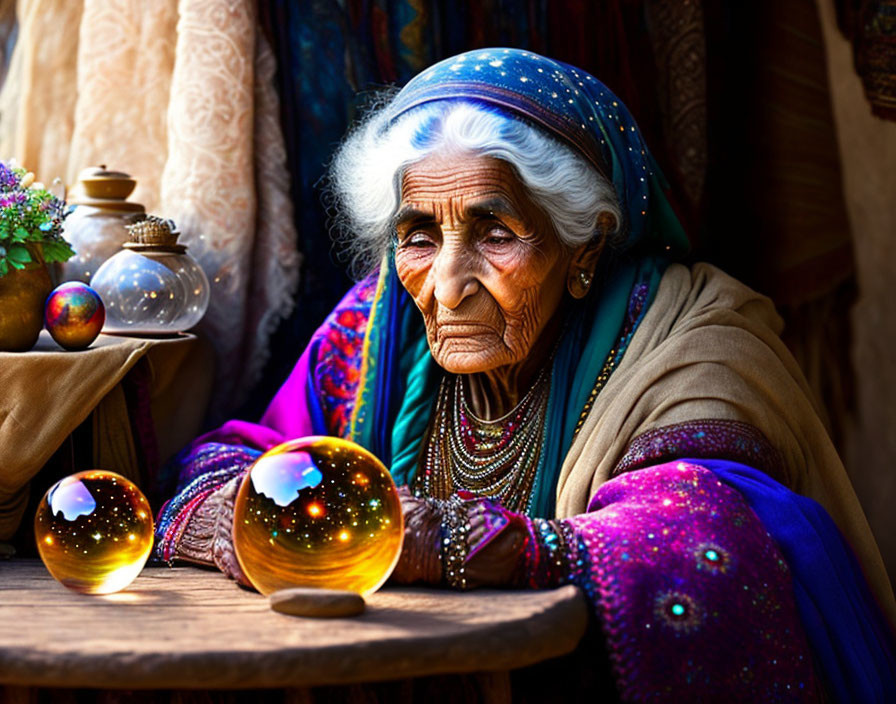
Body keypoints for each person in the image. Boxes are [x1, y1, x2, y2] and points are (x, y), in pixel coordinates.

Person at [155, 48, 896, 701]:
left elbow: (701, 543)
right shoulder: (378, 323)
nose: (446, 286)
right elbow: (244, 450)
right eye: (418, 236)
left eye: (496, 234)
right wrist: (228, 514)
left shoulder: (694, 345)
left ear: (582, 247)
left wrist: (455, 542)